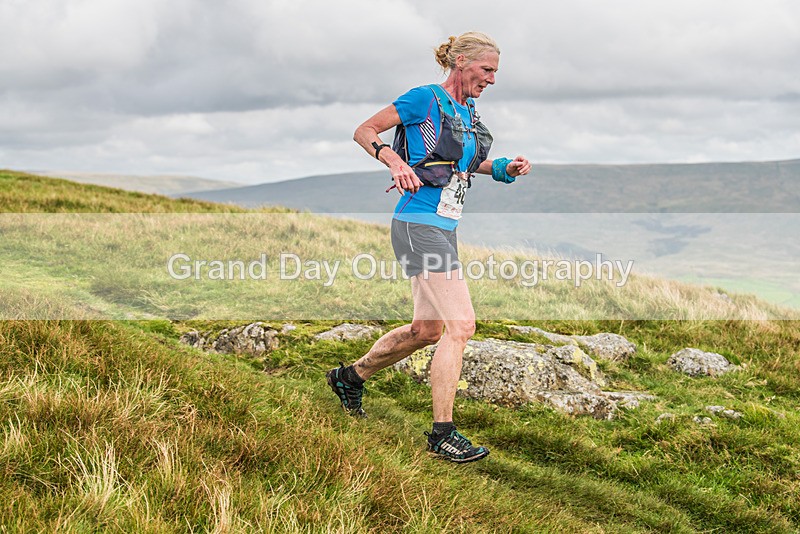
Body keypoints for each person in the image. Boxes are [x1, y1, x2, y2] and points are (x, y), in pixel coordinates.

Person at [327, 31, 531, 464]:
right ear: (460, 61)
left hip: (443, 226)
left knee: (428, 331)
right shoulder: (424, 99)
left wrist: (502, 168)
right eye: (486, 70)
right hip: (419, 225)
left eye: (496, 71)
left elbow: (463, 162)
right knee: (462, 326)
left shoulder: (466, 109)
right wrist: (394, 161)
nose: (492, 79)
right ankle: (442, 434)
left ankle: (350, 377)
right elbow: (364, 131)